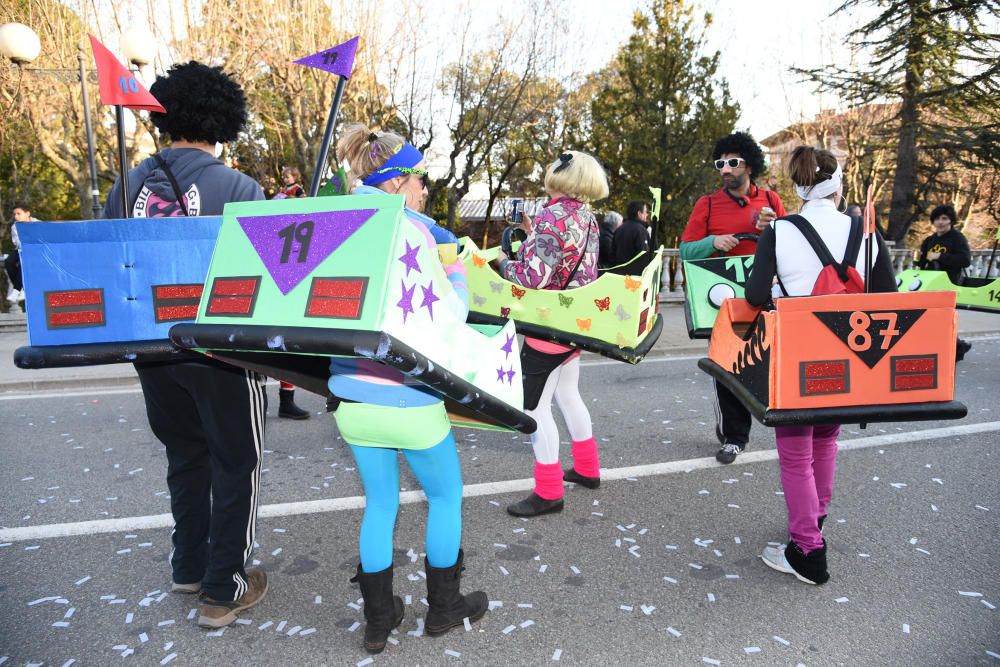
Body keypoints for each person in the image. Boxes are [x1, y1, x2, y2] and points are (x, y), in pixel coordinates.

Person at [102, 61, 269, 628]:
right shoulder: (238, 187)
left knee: (184, 455)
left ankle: (189, 565)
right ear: (224, 119)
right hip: (221, 348)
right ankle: (225, 587)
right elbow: (265, 275)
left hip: (150, 348)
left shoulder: (127, 184)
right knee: (235, 461)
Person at [331, 124, 487, 654]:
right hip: (409, 396)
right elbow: (449, 316)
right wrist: (461, 276)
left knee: (380, 504)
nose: (423, 190)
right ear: (396, 181)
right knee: (445, 497)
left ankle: (379, 621)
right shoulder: (417, 233)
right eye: (418, 179)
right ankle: (444, 608)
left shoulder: (332, 222)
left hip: (350, 394)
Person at [744, 146, 896, 585]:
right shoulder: (865, 231)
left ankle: (808, 551)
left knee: (795, 455)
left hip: (799, 354)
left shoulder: (782, 230)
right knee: (827, 439)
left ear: (798, 187)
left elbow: (755, 297)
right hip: (854, 355)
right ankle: (816, 519)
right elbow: (887, 296)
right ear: (838, 184)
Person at [496, 150, 609, 517]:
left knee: (535, 409)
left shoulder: (550, 216)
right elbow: (567, 259)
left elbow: (534, 277)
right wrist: (534, 235)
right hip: (574, 322)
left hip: (547, 327)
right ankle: (588, 468)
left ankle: (548, 492)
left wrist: (503, 263)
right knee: (568, 394)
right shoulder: (587, 217)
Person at [680, 131, 787, 464]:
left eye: (732, 162)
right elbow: (685, 250)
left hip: (763, 295)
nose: (725, 169)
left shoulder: (771, 199)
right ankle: (733, 436)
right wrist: (713, 242)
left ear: (749, 165)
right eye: (720, 163)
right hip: (721, 300)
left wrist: (775, 228)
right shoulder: (707, 204)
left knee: (762, 362)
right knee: (725, 365)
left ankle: (782, 425)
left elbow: (792, 245)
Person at [917, 203, 973, 361]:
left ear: (950, 221)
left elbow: (965, 260)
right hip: (930, 283)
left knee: (945, 316)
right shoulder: (930, 240)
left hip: (950, 283)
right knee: (933, 317)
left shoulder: (957, 239)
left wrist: (940, 257)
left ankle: (958, 348)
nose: (940, 222)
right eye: (937, 219)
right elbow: (922, 262)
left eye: (944, 219)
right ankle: (958, 345)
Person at [4, 203, 38, 299]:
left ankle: (17, 289)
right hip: (22, 248)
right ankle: (20, 288)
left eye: (18, 214)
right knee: (8, 262)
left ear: (27, 214)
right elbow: (16, 242)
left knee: (23, 262)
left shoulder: (38, 223)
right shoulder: (15, 226)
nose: (16, 216)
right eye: (14, 214)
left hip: (35, 251)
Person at [611, 200, 652, 272]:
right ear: (639, 213)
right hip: (635, 276)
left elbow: (612, 254)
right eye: (645, 212)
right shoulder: (641, 230)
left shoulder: (619, 229)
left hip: (618, 273)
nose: (647, 215)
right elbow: (643, 256)